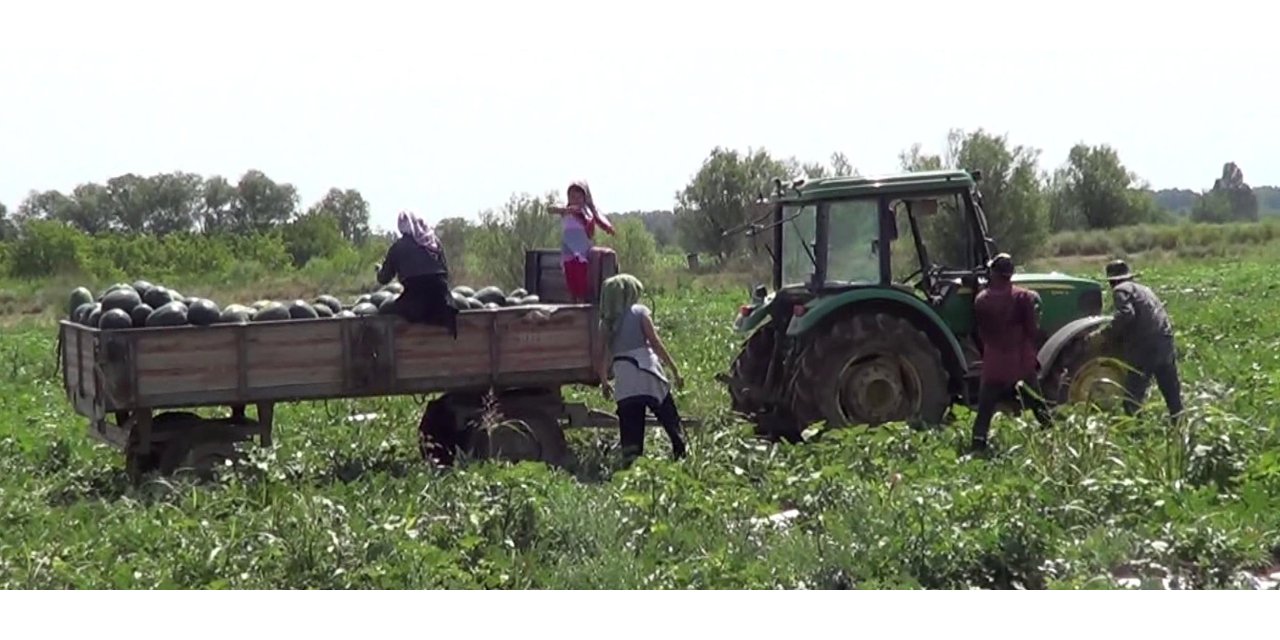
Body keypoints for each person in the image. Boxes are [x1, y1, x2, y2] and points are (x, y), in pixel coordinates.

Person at [597, 273, 687, 464]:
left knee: (631, 431)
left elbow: (603, 354)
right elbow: (655, 343)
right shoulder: (639, 312)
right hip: (647, 374)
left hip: (625, 380)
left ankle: (632, 469)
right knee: (670, 420)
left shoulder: (606, 323)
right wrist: (675, 370)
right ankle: (682, 457)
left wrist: (605, 381)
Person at [969, 253, 1052, 453]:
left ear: (993, 273)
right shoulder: (1023, 296)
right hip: (1020, 363)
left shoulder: (981, 299)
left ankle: (978, 445)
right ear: (1011, 274)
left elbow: (981, 332)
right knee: (1038, 404)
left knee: (985, 409)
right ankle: (1051, 438)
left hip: (994, 363)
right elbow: (1031, 330)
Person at [1105, 258, 1183, 420]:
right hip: (1165, 340)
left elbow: (1126, 314)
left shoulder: (1120, 290)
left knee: (1132, 396)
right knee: (1171, 392)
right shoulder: (1145, 289)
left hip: (1145, 346)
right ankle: (1179, 426)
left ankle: (1136, 434)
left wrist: (1107, 333)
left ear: (1112, 281)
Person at [376, 210, 458, 338]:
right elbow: (445, 272)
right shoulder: (434, 242)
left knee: (384, 311)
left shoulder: (398, 247)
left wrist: (379, 270)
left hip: (415, 303)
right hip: (443, 302)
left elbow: (384, 279)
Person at [550, 181, 615, 303]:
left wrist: (608, 227)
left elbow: (598, 219)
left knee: (580, 274)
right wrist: (564, 209)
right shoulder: (565, 210)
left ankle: (581, 299)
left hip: (581, 249)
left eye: (579, 197)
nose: (575, 200)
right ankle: (573, 299)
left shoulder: (586, 212)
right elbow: (551, 209)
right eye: (572, 197)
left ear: (584, 198)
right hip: (568, 247)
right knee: (569, 274)